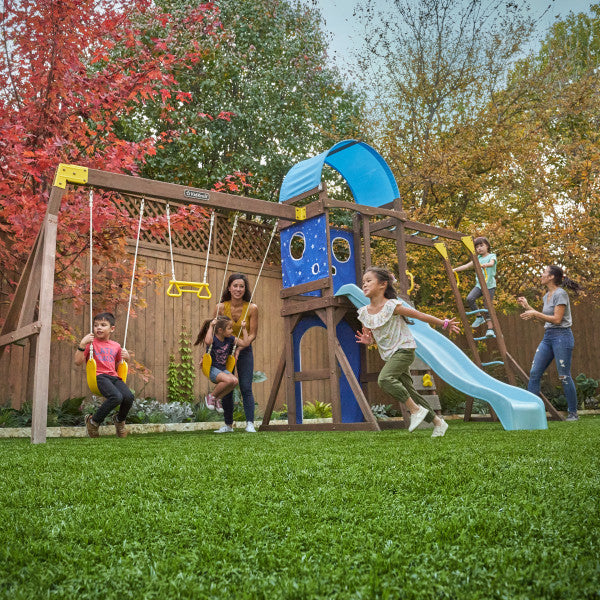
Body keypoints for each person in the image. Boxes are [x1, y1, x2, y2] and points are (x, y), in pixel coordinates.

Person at [355, 267, 460, 437]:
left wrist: (444, 323)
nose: (364, 285)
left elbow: (419, 315)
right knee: (410, 391)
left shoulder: (392, 306)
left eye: (369, 281)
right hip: (390, 355)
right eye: (363, 282)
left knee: (385, 379)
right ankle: (438, 422)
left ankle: (415, 410)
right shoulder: (364, 314)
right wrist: (369, 341)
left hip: (404, 349)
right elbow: (370, 336)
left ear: (382, 285)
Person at [517, 265, 582, 421]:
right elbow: (545, 322)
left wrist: (534, 312)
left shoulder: (561, 294)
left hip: (562, 337)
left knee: (564, 376)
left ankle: (573, 413)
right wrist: (528, 307)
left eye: (544, 273)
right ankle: (532, 413)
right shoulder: (546, 295)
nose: (541, 275)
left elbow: (557, 320)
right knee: (534, 373)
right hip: (548, 337)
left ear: (552, 277)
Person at [75, 312, 134, 438]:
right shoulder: (90, 344)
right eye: (96, 325)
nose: (99, 328)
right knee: (116, 397)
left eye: (103, 325)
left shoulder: (116, 346)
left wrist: (127, 358)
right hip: (99, 377)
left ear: (112, 329)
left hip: (114, 377)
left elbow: (119, 365)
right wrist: (82, 344)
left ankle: (119, 421)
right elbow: (78, 362)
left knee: (128, 397)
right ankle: (93, 422)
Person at [213, 273, 259, 433]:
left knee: (246, 386)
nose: (238, 289)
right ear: (229, 288)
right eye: (235, 286)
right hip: (224, 351)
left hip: (244, 350)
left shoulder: (252, 308)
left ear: (245, 289)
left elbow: (252, 334)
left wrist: (240, 348)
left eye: (241, 286)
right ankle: (228, 425)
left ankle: (250, 424)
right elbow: (215, 332)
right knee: (228, 385)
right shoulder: (220, 307)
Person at [195, 315, 243, 433]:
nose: (232, 330)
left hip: (222, 369)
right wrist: (211, 325)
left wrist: (244, 330)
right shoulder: (213, 339)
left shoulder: (229, 339)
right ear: (220, 330)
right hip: (212, 369)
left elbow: (244, 343)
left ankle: (217, 399)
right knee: (228, 380)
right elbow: (207, 341)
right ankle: (211, 396)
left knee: (234, 381)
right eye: (230, 328)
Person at [453, 236, 497, 337]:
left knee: (487, 306)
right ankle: (479, 317)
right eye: (477, 247)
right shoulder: (477, 258)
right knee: (469, 298)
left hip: (489, 285)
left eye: (481, 245)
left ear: (487, 246)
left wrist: (486, 265)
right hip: (479, 285)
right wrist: (455, 270)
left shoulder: (492, 256)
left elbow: (492, 263)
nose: (479, 248)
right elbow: (466, 266)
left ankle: (490, 329)